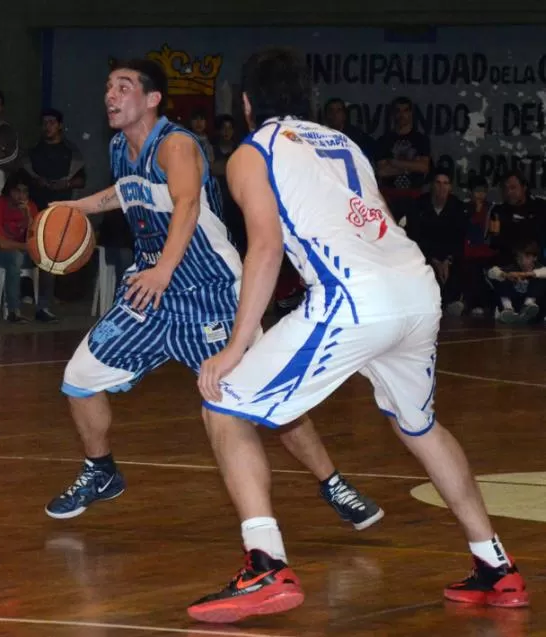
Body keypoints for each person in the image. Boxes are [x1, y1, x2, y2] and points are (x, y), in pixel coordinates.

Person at [189, 48, 528, 624]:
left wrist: (237, 344)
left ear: (246, 103)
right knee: (418, 425)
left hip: (353, 298)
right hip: (417, 292)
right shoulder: (343, 144)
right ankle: (495, 564)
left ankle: (266, 563)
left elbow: (266, 249)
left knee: (223, 404)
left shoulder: (252, 152)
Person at [43, 59, 383, 534]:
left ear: (153, 98)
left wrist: (165, 268)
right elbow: (127, 192)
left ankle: (332, 483)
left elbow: (186, 203)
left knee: (267, 399)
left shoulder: (177, 145)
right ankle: (101, 471)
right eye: (107, 87)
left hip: (211, 295)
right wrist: (74, 207)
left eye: (123, 87)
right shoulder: (122, 146)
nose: (110, 96)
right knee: (79, 378)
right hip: (150, 294)